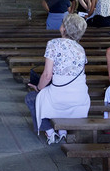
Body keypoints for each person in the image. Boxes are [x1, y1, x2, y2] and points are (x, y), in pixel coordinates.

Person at [28, 12, 91, 142]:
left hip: (59, 96)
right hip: (80, 98)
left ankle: (50, 131)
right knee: (59, 94)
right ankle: (62, 130)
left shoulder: (53, 44)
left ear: (64, 28)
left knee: (31, 98)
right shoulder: (80, 49)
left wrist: (39, 88)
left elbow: (47, 75)